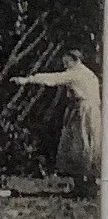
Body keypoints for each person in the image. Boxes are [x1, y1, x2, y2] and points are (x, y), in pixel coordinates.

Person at [14, 49, 102, 198]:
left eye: (67, 61)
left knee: (80, 146)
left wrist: (27, 79)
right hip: (88, 111)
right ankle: (86, 185)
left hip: (83, 112)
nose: (65, 65)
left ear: (75, 60)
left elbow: (54, 78)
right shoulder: (89, 74)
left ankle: (85, 186)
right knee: (86, 146)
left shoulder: (77, 73)